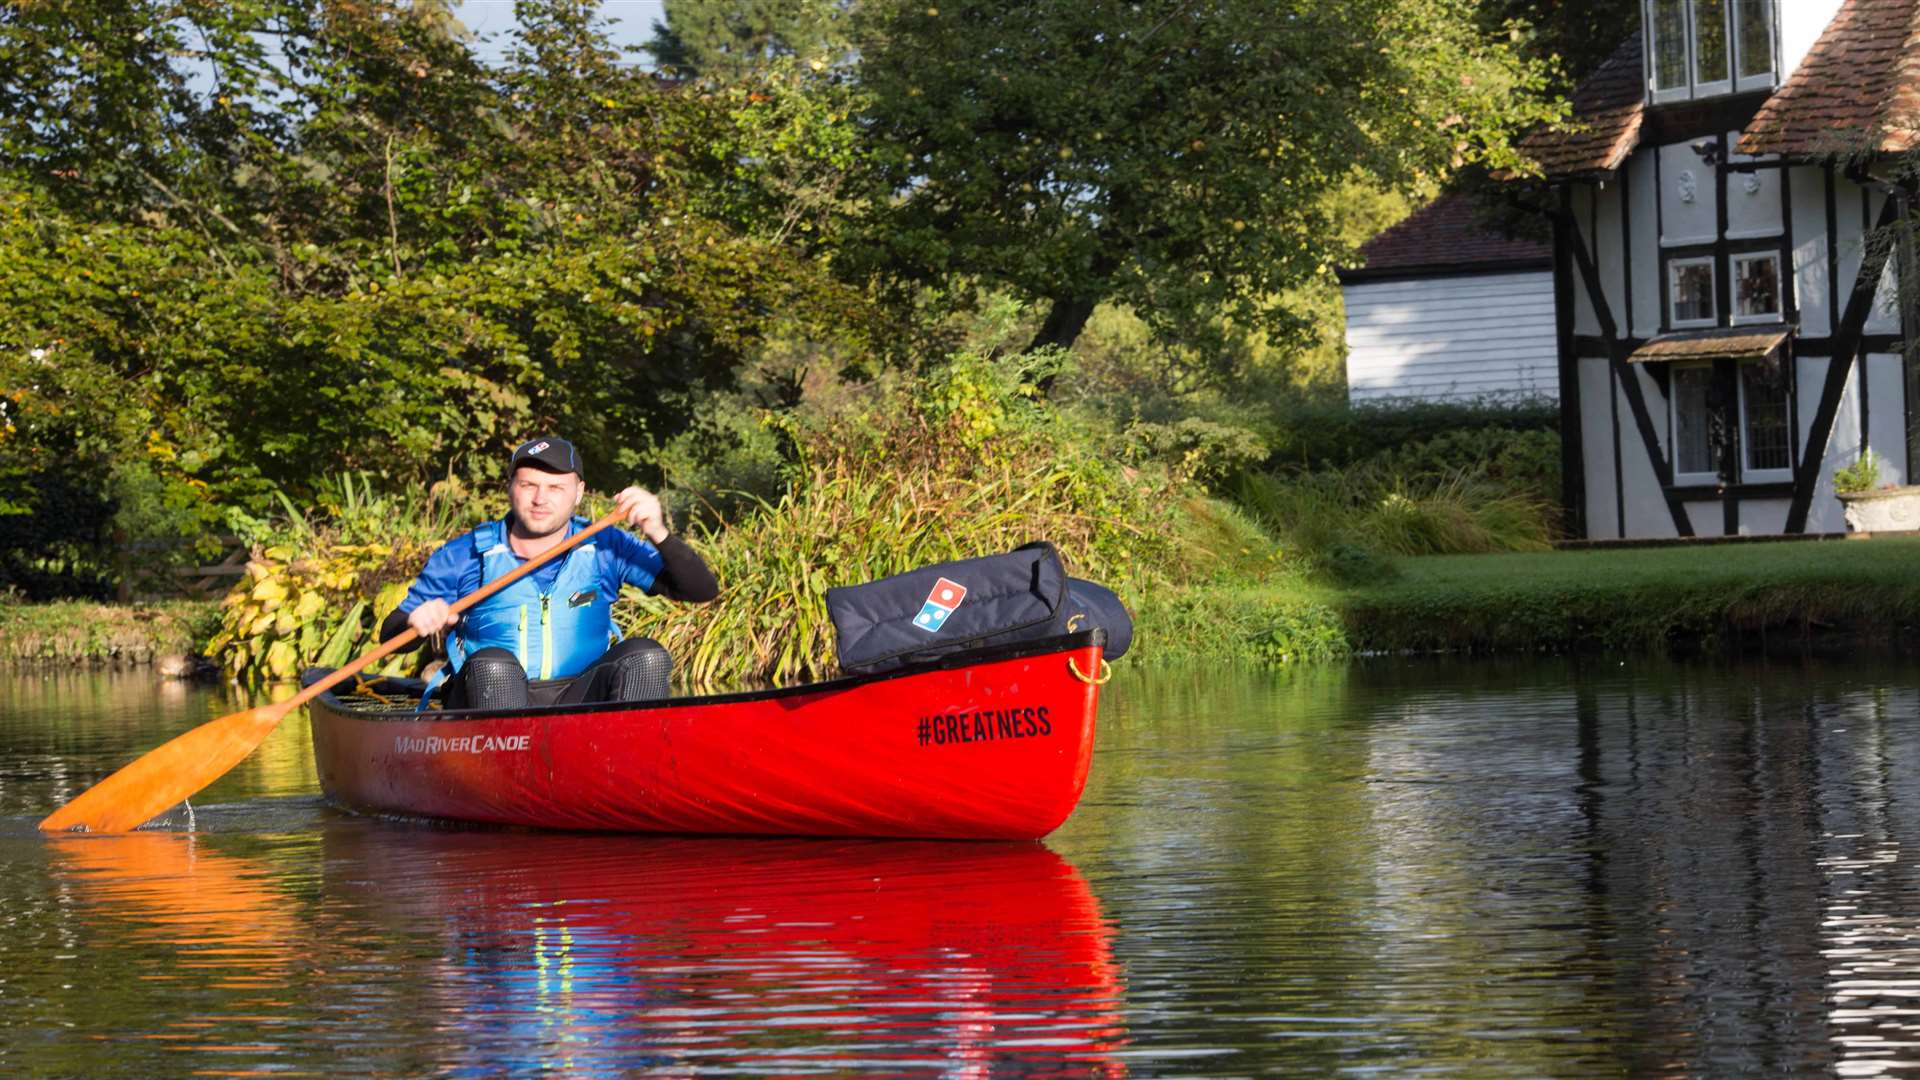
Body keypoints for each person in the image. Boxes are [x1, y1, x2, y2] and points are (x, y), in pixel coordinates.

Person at [380, 436, 718, 710]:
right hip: (489, 698)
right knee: (494, 665)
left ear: (579, 492)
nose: (540, 499)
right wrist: (415, 624)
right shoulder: (464, 554)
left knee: (647, 656)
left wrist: (658, 531)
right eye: (529, 485)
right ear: (510, 487)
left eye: (555, 488)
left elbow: (700, 590)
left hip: (580, 696)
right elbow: (389, 637)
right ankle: (507, 776)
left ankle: (626, 765)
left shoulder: (607, 547)